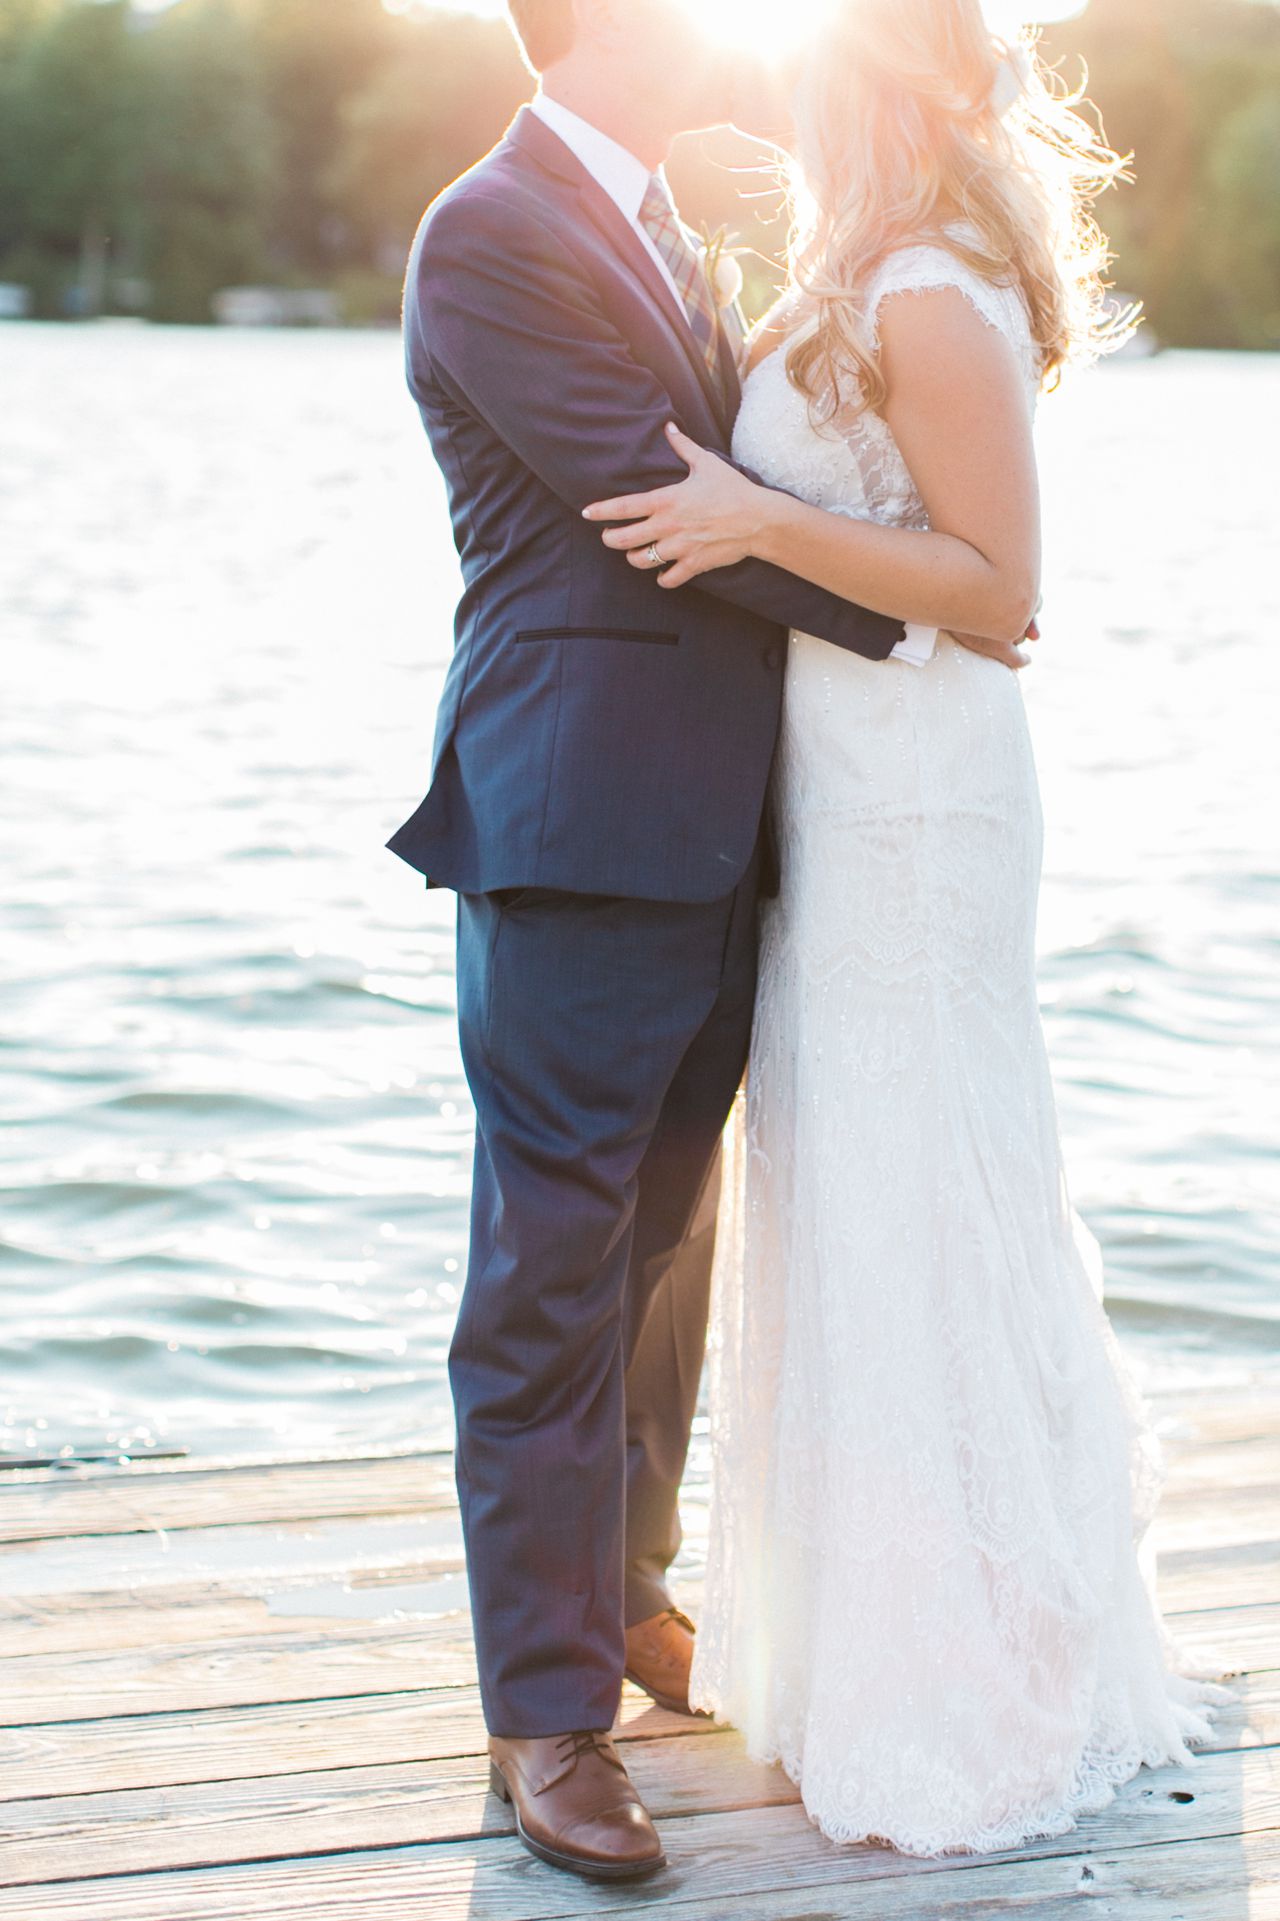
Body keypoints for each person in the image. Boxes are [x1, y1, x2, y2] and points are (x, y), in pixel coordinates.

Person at [386, 0, 1029, 1884]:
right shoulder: (492, 230)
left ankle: (631, 1595)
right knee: (552, 1273)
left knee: (665, 1246)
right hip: (579, 828)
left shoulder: (666, 220)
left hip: (730, 831)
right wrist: (943, 601)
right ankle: (544, 1719)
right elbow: (662, 503)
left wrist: (944, 574)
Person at [582, 0, 1232, 1858]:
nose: (782, 97)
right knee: (849, 1182)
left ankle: (973, 1667)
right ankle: (864, 1634)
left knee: (916, 1178)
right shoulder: (849, 277)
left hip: (927, 810)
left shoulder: (933, 287)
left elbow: (1002, 590)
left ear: (868, 87)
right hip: (842, 799)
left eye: (808, 75)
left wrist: (740, 518)